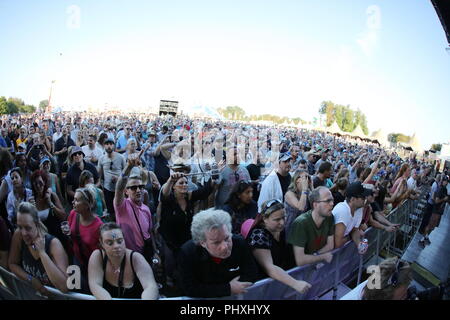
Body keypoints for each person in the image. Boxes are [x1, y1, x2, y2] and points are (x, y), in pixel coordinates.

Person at [177, 208, 258, 298]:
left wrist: (237, 285)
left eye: (227, 238)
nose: (225, 247)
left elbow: (252, 273)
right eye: (216, 242)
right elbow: (189, 288)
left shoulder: (239, 243)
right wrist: (228, 288)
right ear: (202, 242)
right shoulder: (188, 253)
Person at [247, 199, 311, 294]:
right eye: (277, 219)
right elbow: (269, 267)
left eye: (283, 217)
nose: (282, 222)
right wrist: (295, 283)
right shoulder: (258, 235)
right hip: (261, 290)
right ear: (264, 219)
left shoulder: (280, 230)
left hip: (277, 284)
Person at [8, 202, 69, 294]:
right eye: (20, 227)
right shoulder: (18, 235)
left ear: (36, 223)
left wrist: (42, 253)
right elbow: (12, 263)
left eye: (28, 228)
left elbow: (64, 286)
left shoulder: (53, 244)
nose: (23, 233)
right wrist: (30, 279)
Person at [88, 223, 159, 300]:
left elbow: (150, 286)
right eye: (110, 243)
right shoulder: (97, 256)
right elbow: (95, 284)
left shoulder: (136, 258)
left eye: (119, 241)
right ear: (101, 243)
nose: (116, 246)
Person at [113, 154, 159, 263]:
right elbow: (119, 188)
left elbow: (150, 232)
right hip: (129, 257)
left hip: (146, 253)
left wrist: (155, 251)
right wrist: (128, 167)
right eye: (133, 188)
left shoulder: (146, 209)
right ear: (126, 191)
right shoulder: (122, 207)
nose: (138, 190)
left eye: (141, 187)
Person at [288, 187, 335, 266]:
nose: (332, 204)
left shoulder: (329, 217)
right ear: (315, 204)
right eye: (327, 201)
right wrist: (322, 257)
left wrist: (315, 255)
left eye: (332, 200)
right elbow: (300, 260)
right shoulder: (301, 223)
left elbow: (330, 245)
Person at [67, 187, 104, 278]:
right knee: (76, 286)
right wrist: (67, 233)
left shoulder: (99, 226)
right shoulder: (73, 214)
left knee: (88, 289)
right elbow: (70, 231)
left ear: (87, 205)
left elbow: (102, 252)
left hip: (93, 265)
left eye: (76, 200)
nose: (73, 202)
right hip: (76, 259)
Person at [30, 170, 67, 244]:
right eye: (35, 183)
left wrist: (51, 204)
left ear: (44, 182)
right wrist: (32, 210)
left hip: (57, 237)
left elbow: (63, 216)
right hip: (42, 239)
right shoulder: (31, 200)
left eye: (40, 183)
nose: (38, 186)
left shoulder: (52, 196)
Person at [332, 181, 371, 250]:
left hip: (340, 251)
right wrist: (350, 236)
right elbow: (337, 243)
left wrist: (359, 245)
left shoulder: (359, 209)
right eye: (363, 197)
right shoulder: (342, 210)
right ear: (352, 199)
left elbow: (354, 230)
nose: (365, 199)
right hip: (327, 254)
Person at [420, 175, 449, 246]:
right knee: (430, 225)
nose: (446, 182)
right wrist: (444, 199)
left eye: (446, 181)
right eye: (445, 181)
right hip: (436, 210)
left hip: (439, 211)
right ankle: (422, 240)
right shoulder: (441, 189)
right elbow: (436, 200)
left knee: (432, 227)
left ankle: (425, 237)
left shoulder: (444, 189)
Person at [284, 169, 312, 235]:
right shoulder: (289, 194)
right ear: (297, 180)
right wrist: (304, 189)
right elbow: (301, 207)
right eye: (305, 177)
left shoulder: (306, 192)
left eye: (308, 177)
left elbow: (316, 203)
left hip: (302, 226)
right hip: (291, 227)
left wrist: (311, 186)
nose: (307, 180)